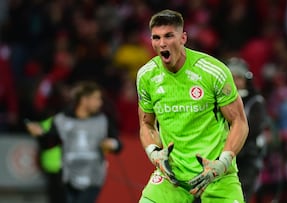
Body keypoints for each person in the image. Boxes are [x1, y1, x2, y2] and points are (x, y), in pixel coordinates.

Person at [136, 9, 249, 203]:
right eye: (156, 37)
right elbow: (146, 124)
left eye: (169, 36)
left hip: (217, 175)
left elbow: (239, 122)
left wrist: (222, 163)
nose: (162, 43)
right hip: (172, 178)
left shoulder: (213, 71)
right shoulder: (147, 76)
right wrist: (154, 153)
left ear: (183, 38)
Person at [26, 81, 122, 203]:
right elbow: (50, 143)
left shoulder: (102, 120)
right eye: (96, 98)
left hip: (93, 177)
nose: (100, 103)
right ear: (84, 100)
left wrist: (112, 144)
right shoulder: (62, 119)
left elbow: (118, 144)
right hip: (68, 177)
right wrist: (40, 135)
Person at [227, 57, 269, 202]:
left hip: (246, 157)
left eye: (238, 78)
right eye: (232, 77)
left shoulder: (255, 101)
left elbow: (254, 128)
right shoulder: (218, 100)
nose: (235, 81)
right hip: (223, 155)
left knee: (241, 196)